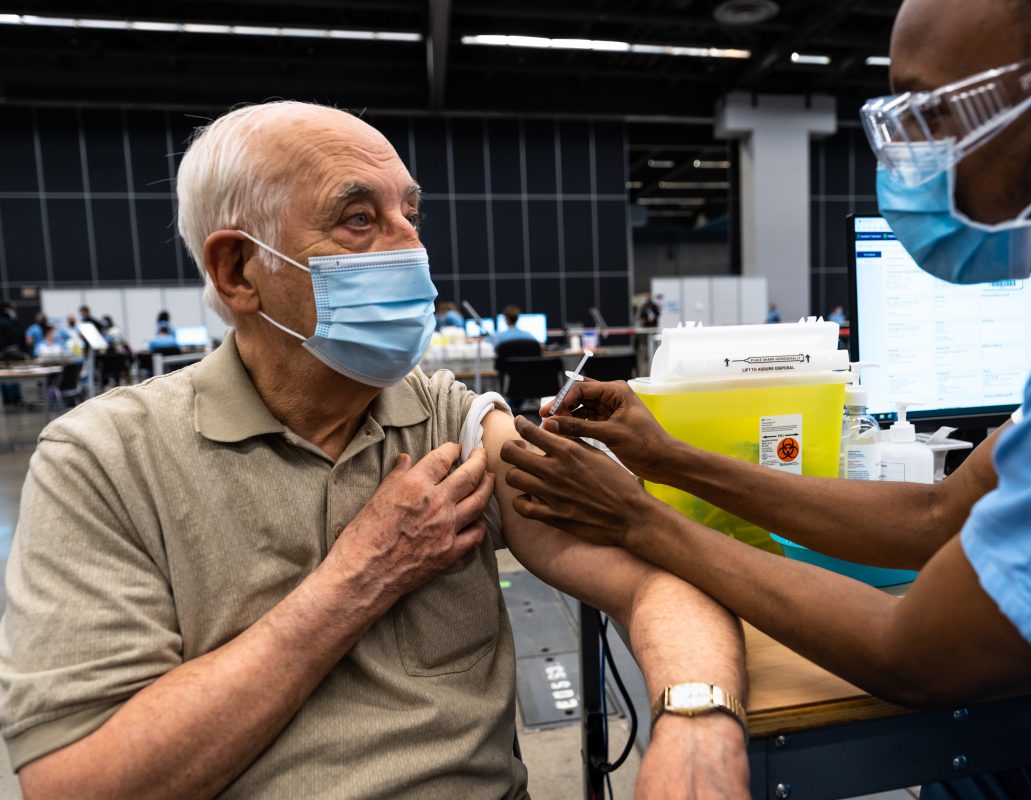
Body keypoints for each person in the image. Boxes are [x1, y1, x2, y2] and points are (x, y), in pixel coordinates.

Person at [502, 2, 1031, 799]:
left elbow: (915, 654)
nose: (907, 159)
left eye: (929, 114)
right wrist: (669, 460)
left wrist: (638, 519)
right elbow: (936, 518)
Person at [0, 101, 748, 800]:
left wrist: (697, 726)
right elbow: (78, 780)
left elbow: (660, 573)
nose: (412, 248)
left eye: (411, 214)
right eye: (359, 219)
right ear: (238, 271)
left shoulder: (448, 421)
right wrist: (356, 580)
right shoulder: (105, 461)